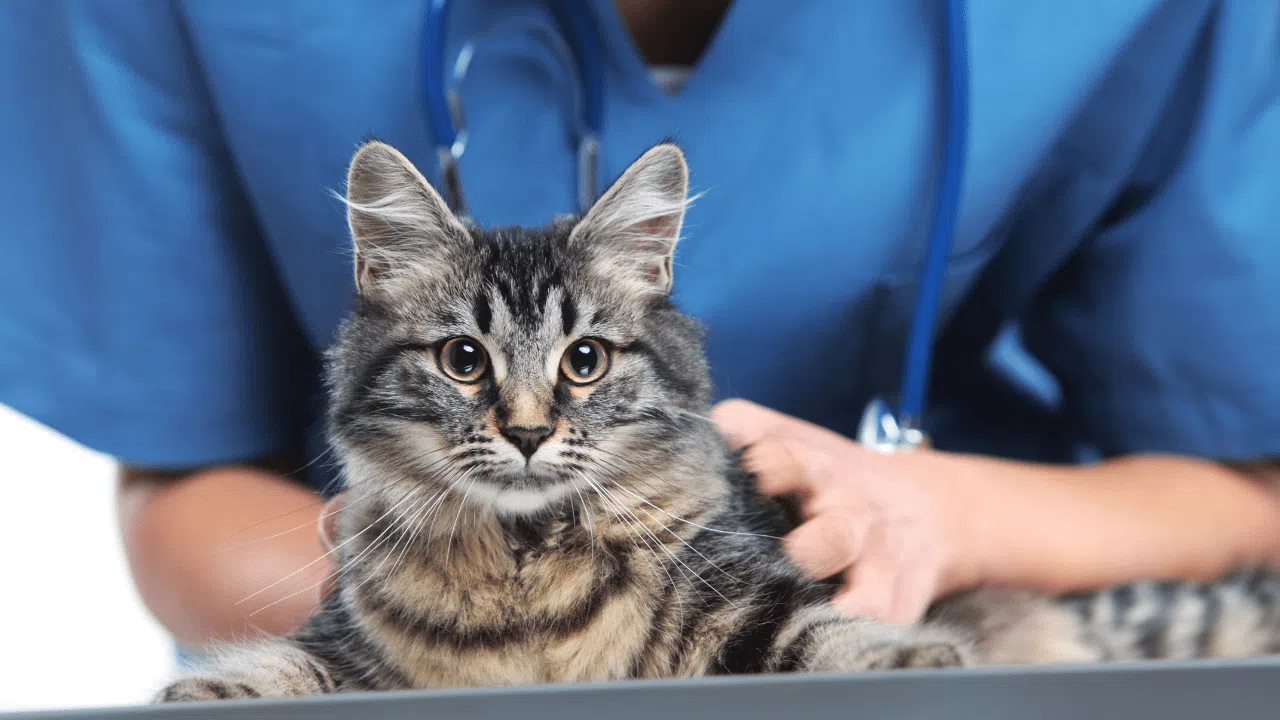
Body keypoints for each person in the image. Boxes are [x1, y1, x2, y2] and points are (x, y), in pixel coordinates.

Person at [1, 0, 1278, 652]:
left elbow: (1248, 476)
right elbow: (173, 460)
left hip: (952, 632)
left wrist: (936, 514)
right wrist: (436, 615)